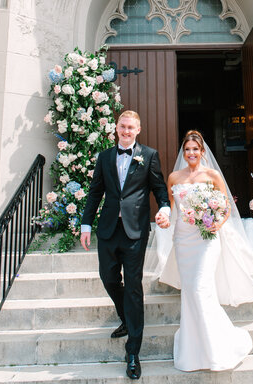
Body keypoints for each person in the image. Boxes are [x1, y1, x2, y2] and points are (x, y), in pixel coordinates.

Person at [157, 130, 253, 372]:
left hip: (207, 239)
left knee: (201, 289)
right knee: (190, 293)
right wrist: (165, 218)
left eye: (195, 149)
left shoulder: (211, 175)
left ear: (202, 152)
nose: (191, 153)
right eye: (187, 149)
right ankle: (194, 349)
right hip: (183, 240)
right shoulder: (174, 177)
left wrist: (217, 223)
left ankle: (218, 347)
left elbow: (226, 205)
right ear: (183, 151)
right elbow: (169, 206)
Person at [80, 110, 170, 380]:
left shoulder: (150, 155)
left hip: (134, 231)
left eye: (131, 127)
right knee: (108, 278)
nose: (126, 131)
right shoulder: (105, 156)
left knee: (133, 286)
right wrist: (86, 224)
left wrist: (164, 207)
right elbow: (96, 190)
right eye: (123, 126)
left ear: (138, 129)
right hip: (108, 229)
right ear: (116, 128)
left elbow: (159, 187)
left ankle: (133, 352)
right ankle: (126, 317)